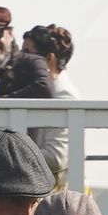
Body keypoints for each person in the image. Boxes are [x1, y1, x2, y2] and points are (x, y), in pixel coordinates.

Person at [21, 25, 77, 186]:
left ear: (49, 59)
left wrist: (12, 156)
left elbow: (55, 157)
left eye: (27, 53)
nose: (21, 58)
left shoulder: (63, 95)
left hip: (58, 195)